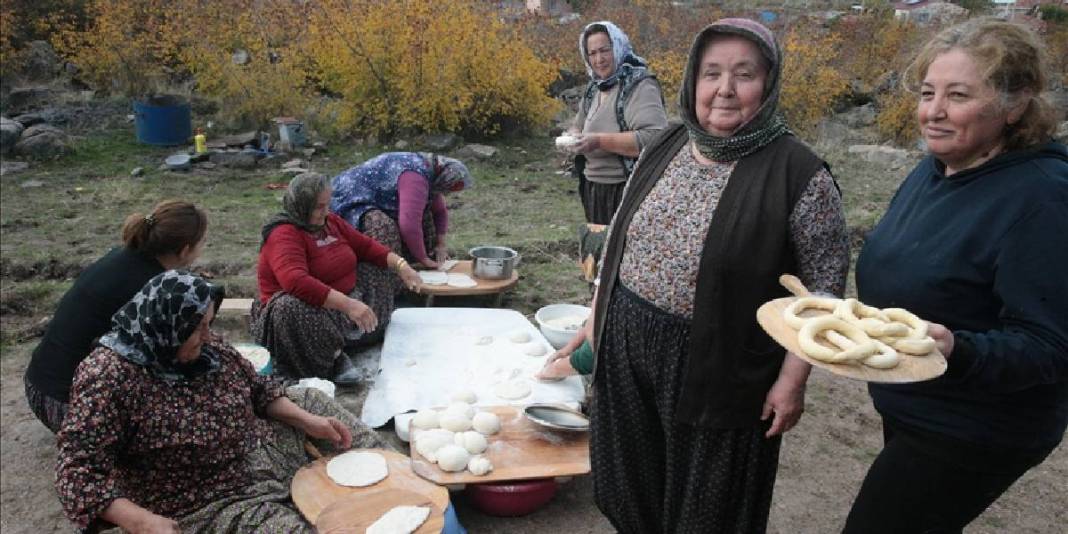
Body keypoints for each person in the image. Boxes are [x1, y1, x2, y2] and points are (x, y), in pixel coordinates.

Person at [584, 19, 849, 533]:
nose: (724, 89)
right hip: (628, 346)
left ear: (768, 84)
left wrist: (792, 381)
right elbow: (621, 236)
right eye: (712, 73)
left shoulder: (798, 173)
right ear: (693, 81)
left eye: (743, 75)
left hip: (719, 368)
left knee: (708, 509)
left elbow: (823, 290)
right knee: (632, 489)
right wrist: (596, 317)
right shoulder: (667, 142)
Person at [843, 18, 1068, 533]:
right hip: (913, 401)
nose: (934, 111)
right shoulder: (937, 167)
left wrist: (957, 349)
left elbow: (1051, 346)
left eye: (958, 95)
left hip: (974, 426)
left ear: (1015, 104)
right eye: (928, 93)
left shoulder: (1044, 197)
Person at [54, 270, 391, 532]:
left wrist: (308, 422)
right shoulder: (107, 378)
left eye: (208, 324)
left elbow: (258, 389)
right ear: (167, 326)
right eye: (197, 328)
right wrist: (142, 522)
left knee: (309, 400)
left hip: (255, 447)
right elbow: (76, 475)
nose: (208, 335)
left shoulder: (206, 345)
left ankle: (394, 475)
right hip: (207, 496)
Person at [22, 200, 209, 433]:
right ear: (185, 250)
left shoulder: (125, 256)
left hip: (39, 384)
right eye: (202, 242)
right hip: (66, 404)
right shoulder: (151, 289)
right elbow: (170, 360)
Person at [254, 173, 423, 383]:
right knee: (288, 306)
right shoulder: (283, 234)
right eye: (319, 207)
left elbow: (365, 246)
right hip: (308, 313)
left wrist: (401, 265)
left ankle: (364, 331)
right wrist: (348, 305)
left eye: (327, 204)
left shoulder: (330, 222)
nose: (326, 212)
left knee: (378, 267)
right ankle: (333, 358)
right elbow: (295, 281)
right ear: (302, 206)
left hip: (341, 304)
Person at [330, 152, 473, 340]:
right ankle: (391, 288)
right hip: (352, 197)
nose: (447, 193)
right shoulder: (415, 177)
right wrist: (423, 258)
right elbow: (409, 224)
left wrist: (440, 245)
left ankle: (412, 274)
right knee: (383, 227)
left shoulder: (432, 174)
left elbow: (439, 211)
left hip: (379, 197)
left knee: (426, 215)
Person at [565, 20, 669, 225]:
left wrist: (598, 141)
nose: (599, 59)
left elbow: (655, 138)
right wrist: (573, 136)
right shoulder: (594, 88)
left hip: (628, 191)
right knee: (599, 244)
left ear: (618, 46)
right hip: (594, 189)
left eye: (605, 50)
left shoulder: (639, 85)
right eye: (592, 53)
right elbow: (579, 124)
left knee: (622, 245)